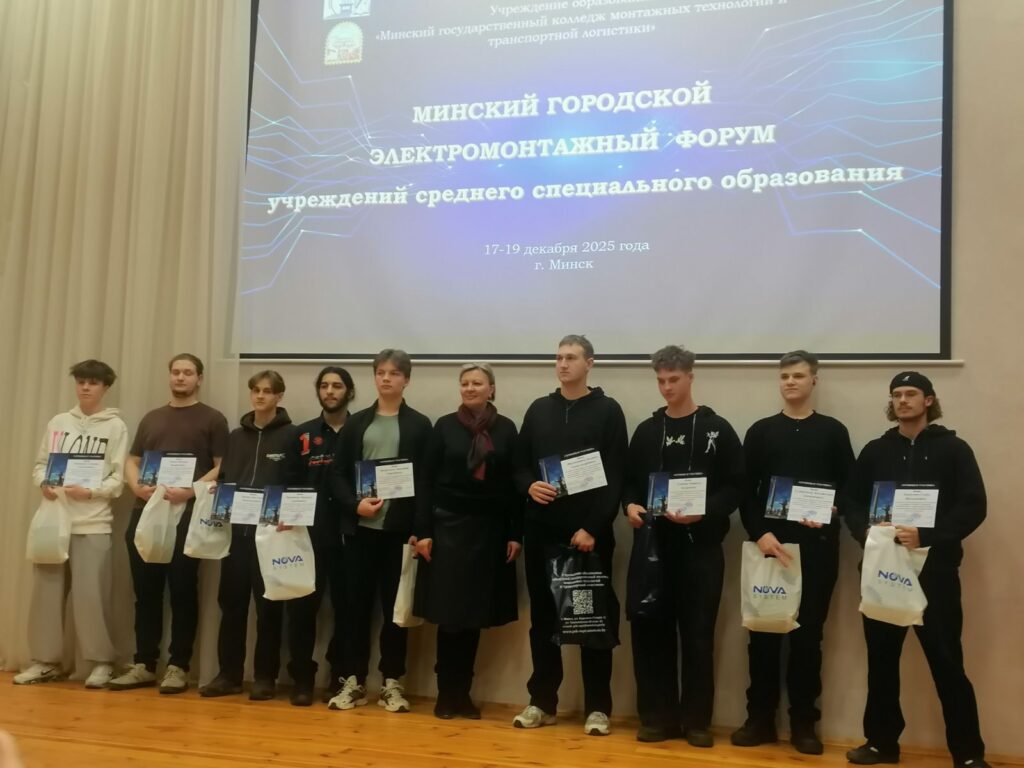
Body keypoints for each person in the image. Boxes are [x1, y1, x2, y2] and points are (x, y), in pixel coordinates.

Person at [844, 372, 990, 768]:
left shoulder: (954, 449)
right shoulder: (875, 450)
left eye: (911, 394)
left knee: (947, 663)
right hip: (882, 571)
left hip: (935, 575)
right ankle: (881, 744)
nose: (903, 400)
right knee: (882, 662)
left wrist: (928, 535)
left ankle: (969, 754)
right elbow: (852, 501)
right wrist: (865, 531)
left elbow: (973, 505)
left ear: (928, 400)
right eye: (896, 395)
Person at [731, 350, 854, 753]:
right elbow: (744, 491)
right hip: (770, 548)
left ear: (813, 380)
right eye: (784, 376)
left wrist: (832, 510)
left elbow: (850, 489)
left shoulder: (833, 431)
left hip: (817, 549)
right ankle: (760, 720)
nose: (790, 382)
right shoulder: (762, 431)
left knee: (807, 639)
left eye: (798, 375)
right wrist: (760, 533)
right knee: (763, 637)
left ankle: (803, 724)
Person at [622, 345, 743, 747]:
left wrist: (704, 512)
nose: (667, 388)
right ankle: (657, 719)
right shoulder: (647, 430)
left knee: (697, 635)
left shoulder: (717, 429)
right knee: (651, 632)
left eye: (674, 379)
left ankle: (696, 722)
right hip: (652, 549)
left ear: (690, 377)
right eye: (661, 381)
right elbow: (629, 483)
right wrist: (630, 506)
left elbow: (736, 487)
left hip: (700, 550)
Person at [513, 335, 628, 737]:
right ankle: (542, 702)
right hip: (541, 531)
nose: (563, 364)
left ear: (589, 363)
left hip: (588, 537)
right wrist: (528, 485)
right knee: (543, 620)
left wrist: (593, 528)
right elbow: (518, 465)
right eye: (559, 357)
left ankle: (598, 708)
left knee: (591, 619)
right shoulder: (539, 409)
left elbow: (616, 475)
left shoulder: (608, 411)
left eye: (572, 357)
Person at [107, 354, 228, 694]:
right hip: (146, 512)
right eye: (176, 372)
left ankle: (178, 667)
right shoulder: (152, 417)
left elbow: (222, 466)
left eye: (188, 372)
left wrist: (191, 490)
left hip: (187, 516)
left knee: (183, 591)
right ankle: (144, 664)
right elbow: (132, 460)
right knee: (146, 593)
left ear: (199, 378)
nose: (181, 377)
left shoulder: (213, 418)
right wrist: (136, 486)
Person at [413, 363, 521, 719]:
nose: (470, 388)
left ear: (492, 389)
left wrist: (515, 533)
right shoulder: (444, 426)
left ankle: (464, 695)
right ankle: (446, 694)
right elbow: (425, 480)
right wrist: (423, 530)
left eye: (477, 383)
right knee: (450, 616)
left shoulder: (506, 429)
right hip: (447, 530)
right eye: (465, 383)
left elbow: (513, 485)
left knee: (475, 615)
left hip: (489, 531)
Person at [327, 349, 432, 713]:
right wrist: (353, 505)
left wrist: (420, 528)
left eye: (394, 373)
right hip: (360, 531)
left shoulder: (419, 425)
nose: (386, 378)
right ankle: (353, 681)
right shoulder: (357, 422)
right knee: (354, 609)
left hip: (399, 534)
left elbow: (425, 482)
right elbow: (337, 474)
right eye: (381, 372)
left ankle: (392, 682)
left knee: (395, 612)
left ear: (406, 380)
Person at [16, 360, 128, 688]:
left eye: (93, 382)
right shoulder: (59, 422)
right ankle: (45, 662)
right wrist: (44, 483)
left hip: (93, 523)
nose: (85, 387)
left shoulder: (115, 427)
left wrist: (91, 491)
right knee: (46, 595)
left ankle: (101, 662)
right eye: (81, 381)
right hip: (54, 522)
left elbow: (118, 479)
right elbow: (40, 465)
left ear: (105, 387)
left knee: (91, 597)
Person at [200, 370, 302, 700]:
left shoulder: (292, 436)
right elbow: (227, 477)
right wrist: (216, 490)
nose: (260, 396)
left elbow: (298, 482)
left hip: (272, 536)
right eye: (256, 390)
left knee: (269, 608)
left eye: (267, 391)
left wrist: (288, 514)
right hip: (237, 536)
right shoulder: (235, 436)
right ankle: (228, 675)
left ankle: (265, 677)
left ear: (279, 396)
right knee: (231, 605)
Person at [293, 365, 355, 705]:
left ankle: (340, 677)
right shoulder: (302, 434)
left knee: (347, 611)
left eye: (337, 386)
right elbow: (288, 480)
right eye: (325, 385)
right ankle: (302, 679)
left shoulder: (361, 430)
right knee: (304, 610)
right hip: (308, 535)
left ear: (349, 392)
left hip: (349, 534)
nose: (330, 391)